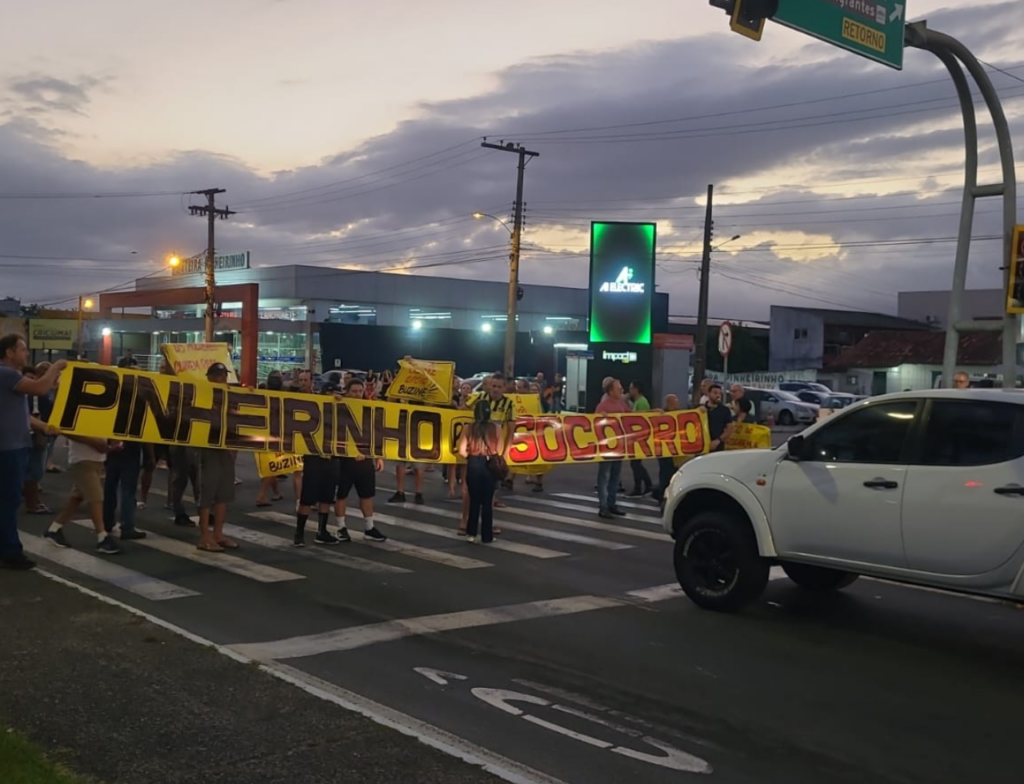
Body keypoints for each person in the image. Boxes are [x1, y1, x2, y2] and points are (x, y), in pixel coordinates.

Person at [0, 334, 65, 570]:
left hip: (13, 445)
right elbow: (40, 388)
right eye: (22, 349)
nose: (26, 353)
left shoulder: (10, 377)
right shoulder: (7, 374)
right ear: (9, 352)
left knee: (8, 499)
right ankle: (10, 551)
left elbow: (23, 415)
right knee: (9, 500)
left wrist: (44, 426)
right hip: (8, 448)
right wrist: (56, 366)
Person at [45, 433, 120, 554]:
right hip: (81, 461)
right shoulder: (78, 414)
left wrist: (112, 442)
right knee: (96, 498)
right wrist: (94, 442)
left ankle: (54, 529)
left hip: (97, 460)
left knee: (78, 497)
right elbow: (68, 431)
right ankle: (102, 537)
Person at [334, 378, 387, 542]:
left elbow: (374, 433)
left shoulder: (368, 409)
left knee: (367, 495)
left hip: (364, 459)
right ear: (347, 392)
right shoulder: (339, 408)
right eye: (354, 391)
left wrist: (378, 456)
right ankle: (341, 527)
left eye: (360, 391)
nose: (357, 394)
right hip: (344, 459)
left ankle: (369, 527)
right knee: (342, 495)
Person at [195, 363, 238, 552]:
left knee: (224, 492)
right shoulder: (202, 395)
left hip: (224, 446)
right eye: (220, 376)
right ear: (210, 377)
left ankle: (218, 533)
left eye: (225, 375)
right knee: (208, 490)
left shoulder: (228, 396)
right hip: (207, 445)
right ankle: (204, 535)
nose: (224, 379)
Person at [293, 384, 342, 547]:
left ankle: (322, 531)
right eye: (328, 393)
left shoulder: (341, 411)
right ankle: (299, 533)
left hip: (332, 458)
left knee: (327, 498)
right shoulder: (314, 409)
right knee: (308, 498)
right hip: (314, 456)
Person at [458, 399, 504, 544]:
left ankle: (471, 534)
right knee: (487, 501)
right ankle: (487, 536)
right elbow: (500, 450)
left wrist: (471, 457)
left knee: (474, 501)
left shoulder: (468, 428)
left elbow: (461, 450)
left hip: (473, 463)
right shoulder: (496, 428)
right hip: (489, 464)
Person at [595, 377, 630, 519]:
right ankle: (603, 506)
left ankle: (611, 504)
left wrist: (654, 412)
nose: (622, 389)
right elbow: (593, 423)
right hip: (606, 447)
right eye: (618, 388)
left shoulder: (621, 403)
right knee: (604, 476)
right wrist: (599, 417)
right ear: (610, 391)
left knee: (615, 476)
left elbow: (634, 416)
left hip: (618, 446)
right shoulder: (603, 406)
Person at [103, 439, 147, 540]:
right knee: (128, 490)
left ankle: (107, 522)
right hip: (131, 446)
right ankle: (127, 527)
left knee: (110, 485)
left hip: (113, 446)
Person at [626, 380, 653, 497]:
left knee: (635, 464)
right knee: (635, 464)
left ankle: (641, 487)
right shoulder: (638, 402)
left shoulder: (641, 403)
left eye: (631, 388)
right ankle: (647, 486)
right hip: (637, 438)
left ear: (636, 389)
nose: (629, 390)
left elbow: (641, 422)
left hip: (639, 438)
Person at [652, 394, 681, 503]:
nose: (676, 404)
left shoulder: (680, 413)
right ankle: (663, 497)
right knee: (665, 474)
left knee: (674, 474)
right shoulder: (661, 414)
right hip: (664, 450)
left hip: (676, 450)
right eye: (674, 402)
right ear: (669, 403)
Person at [705, 383, 735, 453]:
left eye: (720, 394)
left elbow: (730, 429)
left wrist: (718, 440)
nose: (718, 395)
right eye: (715, 393)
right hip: (701, 447)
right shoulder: (700, 409)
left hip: (717, 447)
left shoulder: (725, 410)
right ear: (708, 394)